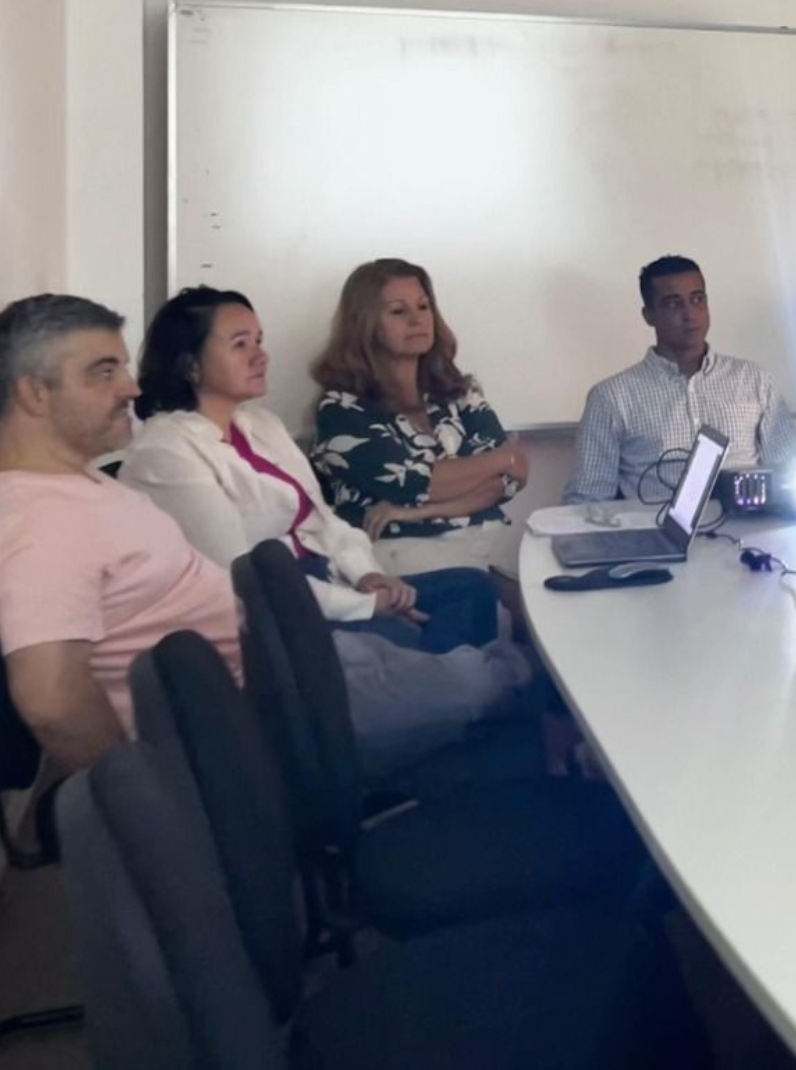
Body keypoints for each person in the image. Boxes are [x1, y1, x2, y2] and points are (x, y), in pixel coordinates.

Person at [0, 295, 527, 779]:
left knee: (479, 666)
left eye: (123, 367)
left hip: (283, 657)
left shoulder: (87, 488)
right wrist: (154, 801)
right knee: (499, 682)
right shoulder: (41, 519)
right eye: (103, 372)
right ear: (33, 393)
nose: (130, 388)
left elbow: (316, 525)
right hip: (261, 710)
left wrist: (365, 581)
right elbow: (52, 702)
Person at [121, 286, 501, 658]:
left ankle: (443, 676)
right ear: (190, 365)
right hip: (275, 615)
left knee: (472, 589)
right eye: (240, 345)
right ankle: (447, 675)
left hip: (328, 580)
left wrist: (368, 577)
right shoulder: (166, 451)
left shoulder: (260, 424)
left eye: (259, 341)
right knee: (413, 642)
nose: (261, 355)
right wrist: (364, 607)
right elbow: (243, 578)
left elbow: (324, 520)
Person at [310, 259, 528, 574]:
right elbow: (415, 483)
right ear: (365, 324)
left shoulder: (458, 392)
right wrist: (504, 458)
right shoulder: (342, 409)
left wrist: (413, 512)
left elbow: (507, 482)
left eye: (423, 307)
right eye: (398, 311)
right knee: (489, 589)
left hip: (487, 542)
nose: (417, 320)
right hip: (407, 555)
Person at [565, 255, 796, 504]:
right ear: (649, 315)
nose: (689, 314)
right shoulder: (611, 396)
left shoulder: (754, 380)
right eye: (673, 304)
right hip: (653, 525)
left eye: (697, 300)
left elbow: (790, 474)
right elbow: (587, 499)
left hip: (744, 523)